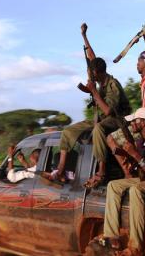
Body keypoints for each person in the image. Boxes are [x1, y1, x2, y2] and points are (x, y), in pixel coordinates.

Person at [51, 23, 131, 187]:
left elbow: (109, 111)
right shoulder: (98, 77)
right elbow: (91, 57)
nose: (92, 77)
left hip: (117, 119)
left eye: (94, 75)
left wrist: (94, 91)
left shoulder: (112, 84)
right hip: (99, 118)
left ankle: (101, 170)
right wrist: (84, 36)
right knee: (68, 132)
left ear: (100, 73)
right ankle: (60, 169)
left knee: (98, 129)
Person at [98, 107, 145, 256]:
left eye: (135, 122)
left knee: (135, 190)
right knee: (113, 185)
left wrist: (135, 155)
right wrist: (131, 160)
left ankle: (136, 246)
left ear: (143, 122)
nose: (133, 125)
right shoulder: (139, 141)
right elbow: (141, 165)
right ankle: (111, 234)